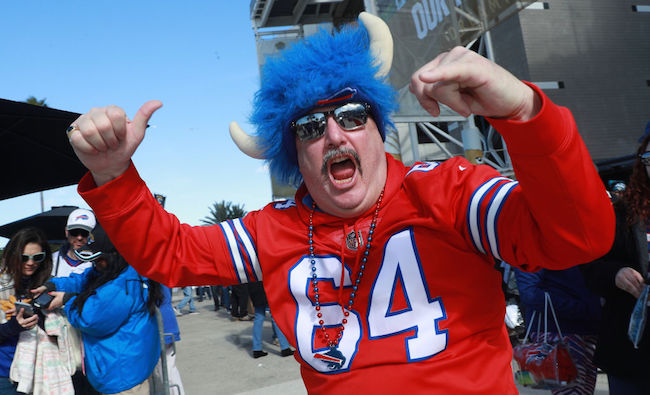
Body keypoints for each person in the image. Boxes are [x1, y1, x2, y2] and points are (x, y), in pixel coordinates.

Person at [64, 12, 614, 393]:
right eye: (309, 126)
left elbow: (577, 236)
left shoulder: (447, 190)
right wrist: (114, 176)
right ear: (294, 157)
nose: (333, 135)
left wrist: (522, 112)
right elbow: (173, 255)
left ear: (377, 131)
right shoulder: (272, 230)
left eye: (351, 117)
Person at [33, 230, 162, 394]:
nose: (95, 263)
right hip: (127, 363)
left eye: (99, 258)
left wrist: (68, 300)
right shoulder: (115, 270)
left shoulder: (121, 285)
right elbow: (84, 279)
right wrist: (53, 285)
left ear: (115, 255)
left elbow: (90, 319)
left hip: (122, 375)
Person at [581, 132, 650, 395]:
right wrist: (615, 273)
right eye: (649, 158)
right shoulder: (621, 212)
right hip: (633, 349)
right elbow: (590, 266)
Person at [514, 267, 601, 394]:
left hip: (588, 328)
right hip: (557, 330)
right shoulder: (534, 249)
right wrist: (582, 309)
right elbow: (529, 292)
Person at [0, 228, 51, 394]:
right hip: (5, 374)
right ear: (12, 255)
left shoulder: (47, 285)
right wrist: (13, 327)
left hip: (40, 371)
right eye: (24, 257)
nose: (30, 263)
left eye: (37, 257)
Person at [247, 281, 293, 358]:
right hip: (268, 287)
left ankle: (257, 349)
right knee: (276, 317)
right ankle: (285, 347)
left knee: (258, 318)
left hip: (254, 288)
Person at [51, 208, 96, 277]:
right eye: (74, 232)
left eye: (85, 233)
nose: (79, 238)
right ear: (66, 232)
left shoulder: (98, 263)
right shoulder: (51, 260)